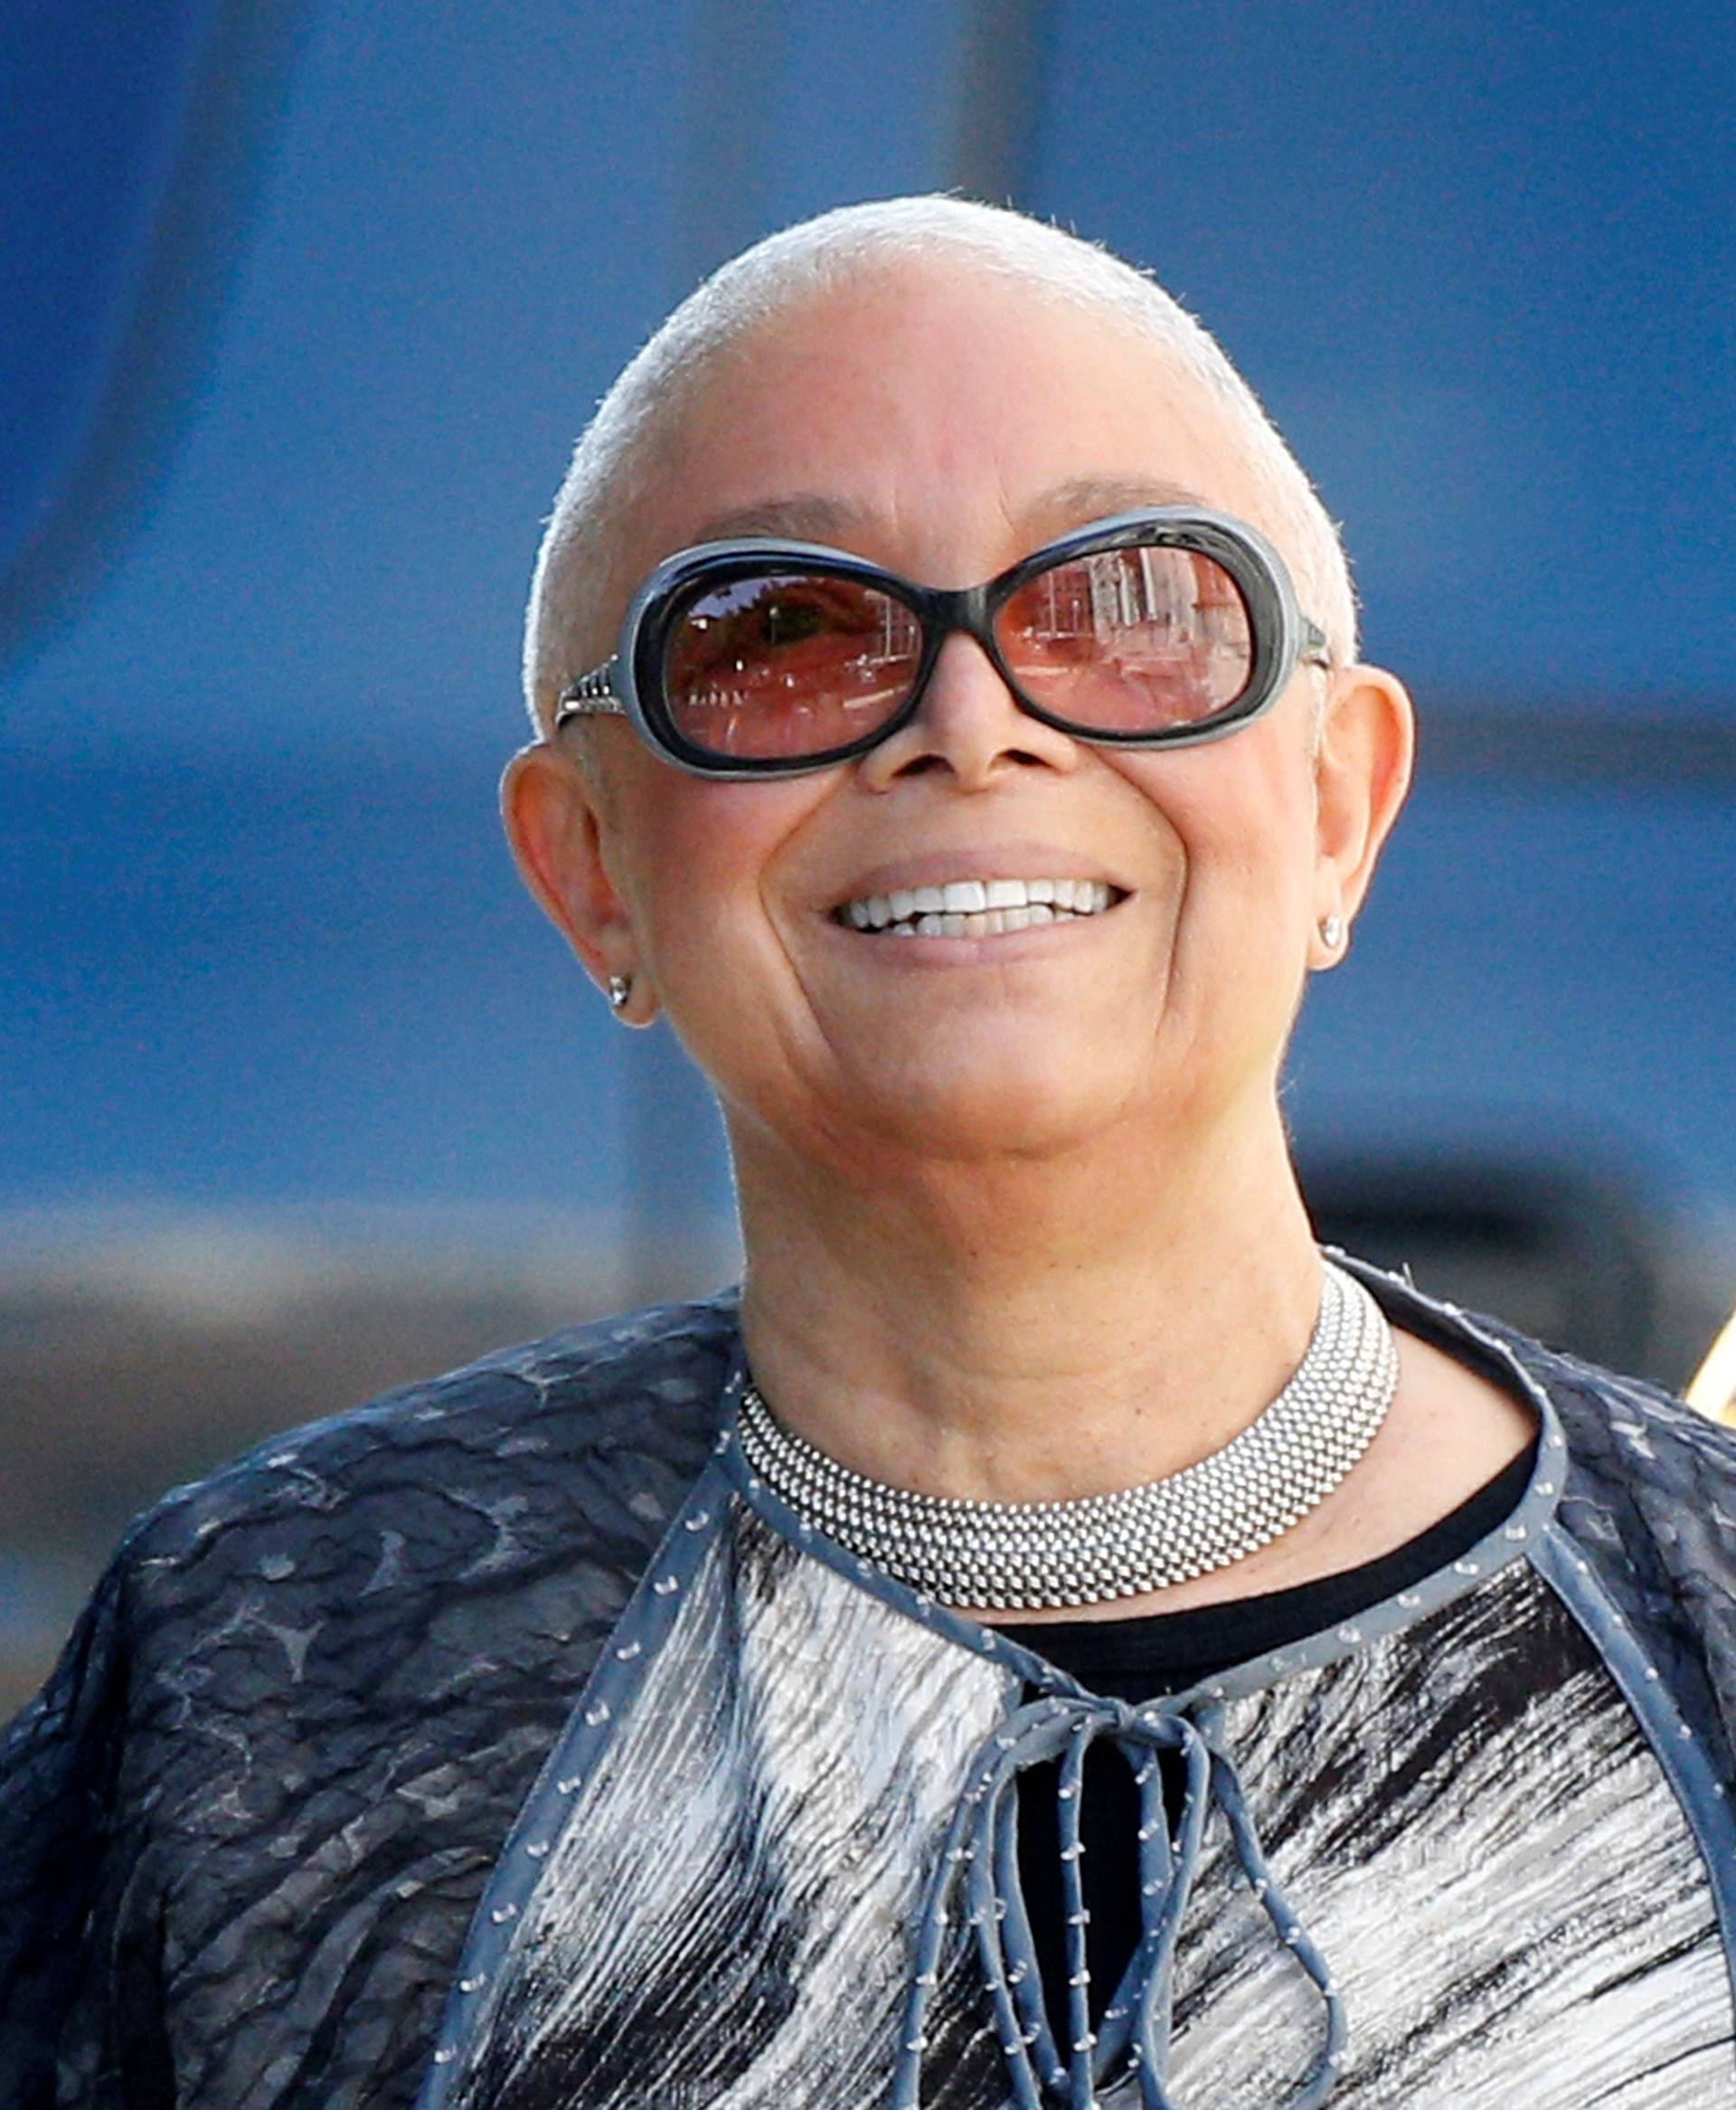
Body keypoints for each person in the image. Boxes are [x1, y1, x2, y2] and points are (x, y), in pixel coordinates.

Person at [3, 195, 1734, 2110]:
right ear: (593, 873)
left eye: (1125, 609)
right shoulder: (271, 1684)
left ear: (1338, 805)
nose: (969, 720)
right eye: (784, 641)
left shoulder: (1707, 1641)